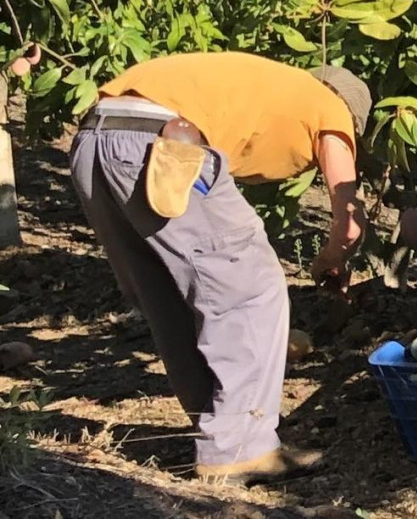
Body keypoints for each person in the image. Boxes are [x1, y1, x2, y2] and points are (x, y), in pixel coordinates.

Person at [67, 51, 371, 485]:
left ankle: (217, 424)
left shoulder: (266, 86)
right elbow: (350, 220)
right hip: (164, 142)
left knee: (168, 296)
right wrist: (331, 258)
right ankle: (239, 449)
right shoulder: (331, 108)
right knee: (253, 288)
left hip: (94, 141)